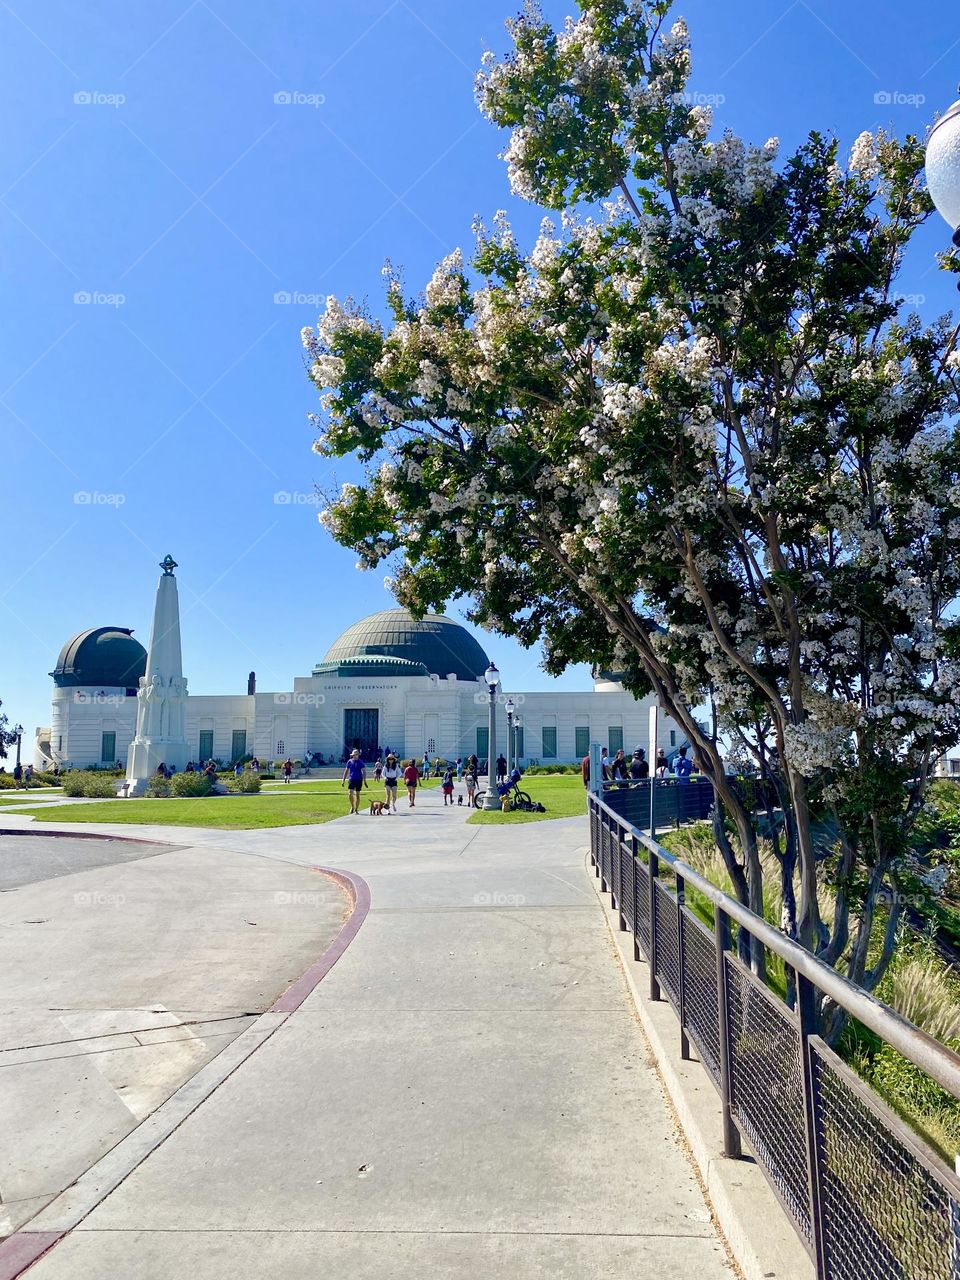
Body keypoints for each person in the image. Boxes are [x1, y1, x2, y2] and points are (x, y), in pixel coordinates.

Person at [341, 748, 367, 814]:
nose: (355, 756)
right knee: (350, 793)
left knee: (357, 795)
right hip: (351, 779)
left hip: (359, 780)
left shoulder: (360, 762)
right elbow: (346, 771)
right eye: (354, 755)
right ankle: (352, 806)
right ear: (352, 755)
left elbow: (364, 771)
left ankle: (356, 809)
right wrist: (343, 780)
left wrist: (364, 780)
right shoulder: (349, 761)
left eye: (356, 755)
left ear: (358, 755)